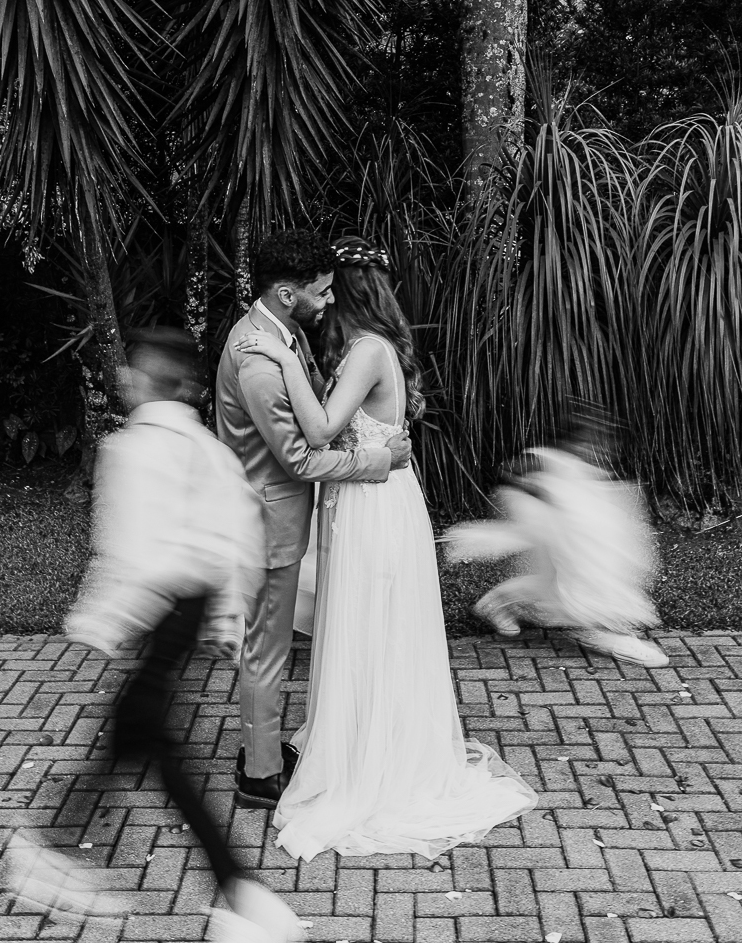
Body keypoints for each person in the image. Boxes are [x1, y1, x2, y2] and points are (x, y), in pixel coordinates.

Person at [234, 238, 538, 861]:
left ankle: (373, 757)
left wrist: (284, 357)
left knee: (370, 625)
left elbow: (319, 430)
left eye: (329, 291)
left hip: (372, 506)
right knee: (366, 625)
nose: (322, 302)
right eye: (316, 291)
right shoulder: (362, 350)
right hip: (365, 497)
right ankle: (361, 739)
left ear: (345, 295)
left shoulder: (367, 350)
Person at [7, 328, 304, 943]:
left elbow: (129, 549)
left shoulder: (132, 449)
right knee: (153, 750)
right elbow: (239, 540)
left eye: (135, 371)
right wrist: (226, 617)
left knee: (142, 744)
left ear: (146, 382)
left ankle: (52, 849)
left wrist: (104, 619)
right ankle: (237, 895)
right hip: (181, 618)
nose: (127, 379)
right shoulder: (210, 451)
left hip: (162, 613)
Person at [216, 231, 412, 811]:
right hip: (266, 525)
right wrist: (377, 461)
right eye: (320, 291)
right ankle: (260, 775)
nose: (328, 300)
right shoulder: (258, 360)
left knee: (271, 643)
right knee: (266, 650)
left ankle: (264, 751)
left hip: (279, 517)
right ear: (286, 293)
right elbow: (299, 458)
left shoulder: (285, 333)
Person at [444, 405, 669, 668]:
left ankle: (499, 602)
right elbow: (507, 473)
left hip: (558, 525)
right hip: (537, 516)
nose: (596, 449)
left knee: (566, 572)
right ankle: (599, 628)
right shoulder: (544, 458)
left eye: (601, 443)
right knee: (577, 565)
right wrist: (538, 490)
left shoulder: (587, 468)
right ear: (569, 440)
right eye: (587, 441)